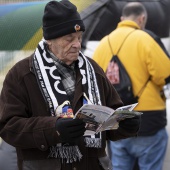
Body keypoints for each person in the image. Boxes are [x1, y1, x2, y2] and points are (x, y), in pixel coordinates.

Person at [0, 1, 141, 170]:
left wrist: (125, 125)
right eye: (69, 39)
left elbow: (111, 119)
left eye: (79, 37)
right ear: (50, 40)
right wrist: (53, 129)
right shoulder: (21, 74)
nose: (77, 44)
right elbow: (8, 127)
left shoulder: (93, 70)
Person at [92, 2, 170, 170]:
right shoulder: (146, 39)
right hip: (148, 120)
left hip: (116, 119)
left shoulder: (103, 43)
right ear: (142, 18)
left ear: (121, 19)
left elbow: (95, 83)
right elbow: (164, 75)